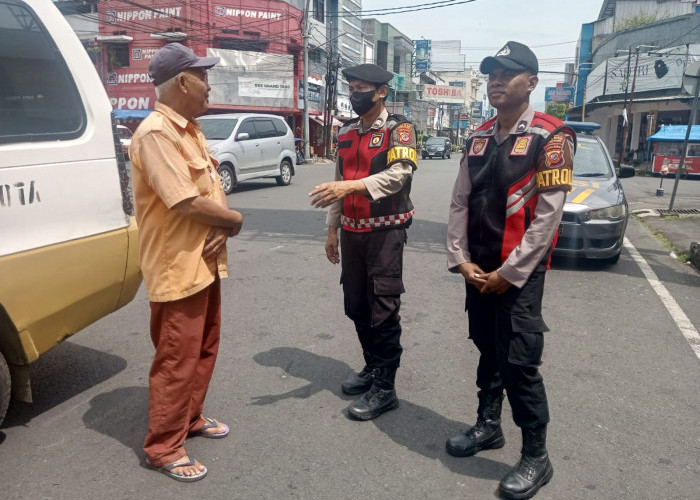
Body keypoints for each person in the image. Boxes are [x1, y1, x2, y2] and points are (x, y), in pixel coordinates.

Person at [445, 42, 575, 500]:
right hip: (477, 269)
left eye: (507, 72)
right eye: (491, 73)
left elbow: (547, 218)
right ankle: (488, 426)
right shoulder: (478, 136)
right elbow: (460, 201)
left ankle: (537, 456)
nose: (496, 80)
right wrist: (460, 258)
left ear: (532, 82)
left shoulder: (551, 136)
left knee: (519, 362)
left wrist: (511, 272)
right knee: (486, 348)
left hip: (518, 274)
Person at [129, 42, 244, 482]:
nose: (208, 86)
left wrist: (219, 226)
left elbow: (206, 193)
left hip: (204, 261)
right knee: (177, 357)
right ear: (182, 82)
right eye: (203, 77)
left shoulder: (189, 130)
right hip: (178, 267)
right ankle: (163, 446)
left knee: (204, 348)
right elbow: (184, 201)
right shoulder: (157, 133)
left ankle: (190, 419)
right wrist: (233, 220)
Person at [309, 63, 418, 421]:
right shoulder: (346, 131)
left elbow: (399, 176)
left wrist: (351, 186)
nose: (355, 94)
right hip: (352, 232)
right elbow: (336, 183)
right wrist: (332, 230)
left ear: (381, 92)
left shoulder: (399, 130)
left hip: (385, 231)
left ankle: (386, 388)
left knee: (382, 307)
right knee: (356, 304)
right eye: (352, 87)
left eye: (361, 88)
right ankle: (372, 368)